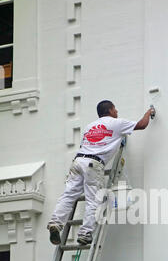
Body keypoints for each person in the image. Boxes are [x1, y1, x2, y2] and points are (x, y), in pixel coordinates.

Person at [47, 100, 155, 245]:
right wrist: (149, 112)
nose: (117, 112)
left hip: (78, 162)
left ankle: (56, 223)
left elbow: (89, 144)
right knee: (94, 199)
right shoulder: (116, 123)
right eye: (115, 109)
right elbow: (142, 125)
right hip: (93, 164)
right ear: (110, 110)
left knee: (68, 195)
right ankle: (85, 233)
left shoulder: (89, 127)